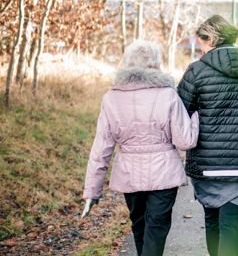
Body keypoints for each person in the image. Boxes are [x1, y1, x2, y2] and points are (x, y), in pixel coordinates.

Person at [82, 40, 199, 256]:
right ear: (156, 64)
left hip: (129, 175)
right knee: (156, 228)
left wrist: (92, 191)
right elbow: (186, 142)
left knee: (139, 225)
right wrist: (195, 117)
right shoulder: (168, 95)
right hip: (164, 174)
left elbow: (101, 149)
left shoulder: (111, 98)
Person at [177, 15, 238, 256]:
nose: (199, 47)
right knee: (234, 225)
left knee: (213, 221)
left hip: (210, 166)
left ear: (210, 39)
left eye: (200, 41)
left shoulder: (197, 71)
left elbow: (179, 113)